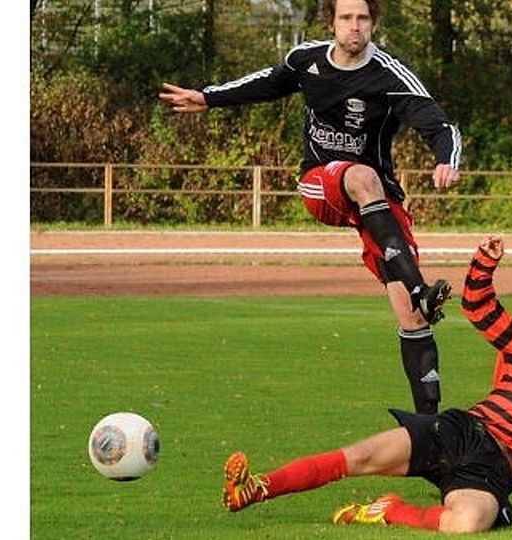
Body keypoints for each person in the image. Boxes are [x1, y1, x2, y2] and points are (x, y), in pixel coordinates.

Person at [218, 234, 512, 533]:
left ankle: (389, 511)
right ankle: (255, 488)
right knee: (357, 456)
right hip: (460, 430)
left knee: (468, 524)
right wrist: (484, 262)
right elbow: (479, 307)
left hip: (489, 470)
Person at [159, 0, 460, 414]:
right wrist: (208, 98)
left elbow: (438, 124)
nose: (355, 27)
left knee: (411, 315)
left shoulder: (389, 75)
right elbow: (265, 83)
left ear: (373, 23)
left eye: (363, 19)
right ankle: (420, 288)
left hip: (378, 202)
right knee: (361, 176)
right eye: (346, 18)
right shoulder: (306, 60)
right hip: (322, 183)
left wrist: (446, 158)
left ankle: (430, 428)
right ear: (331, 23)